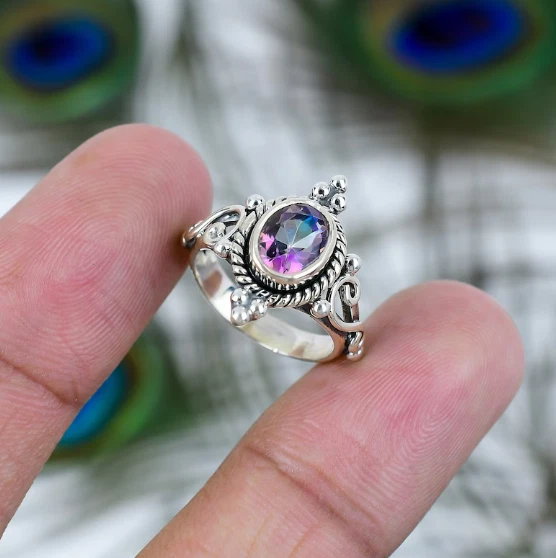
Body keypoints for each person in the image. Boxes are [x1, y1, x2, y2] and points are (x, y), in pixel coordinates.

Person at [0, 125, 524, 557]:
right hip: (247, 265)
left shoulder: (314, 260)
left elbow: (340, 324)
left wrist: (339, 339)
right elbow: (207, 237)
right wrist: (333, 334)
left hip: (263, 277)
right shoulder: (265, 236)